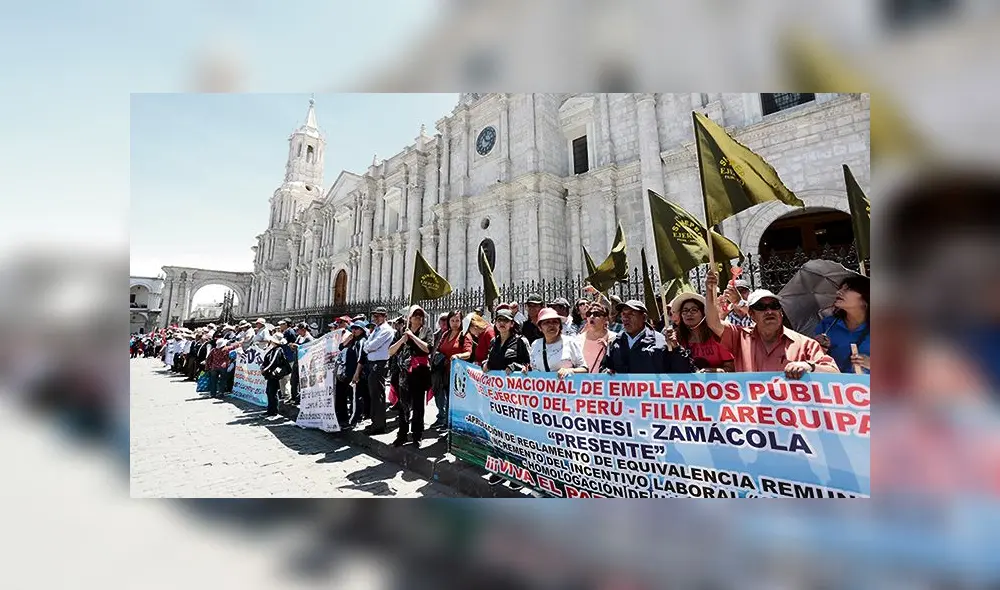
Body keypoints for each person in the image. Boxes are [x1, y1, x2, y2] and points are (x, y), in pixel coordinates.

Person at [705, 269, 839, 378]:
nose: (769, 311)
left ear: (781, 312)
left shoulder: (805, 344)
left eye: (774, 306)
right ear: (751, 314)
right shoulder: (739, 337)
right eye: (761, 307)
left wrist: (809, 366)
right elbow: (713, 323)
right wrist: (710, 290)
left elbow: (834, 372)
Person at [602, 300, 695, 375]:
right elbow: (605, 367)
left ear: (644, 317)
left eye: (631, 314)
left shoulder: (661, 342)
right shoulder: (615, 342)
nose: (626, 318)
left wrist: (676, 348)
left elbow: (682, 372)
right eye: (623, 314)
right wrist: (606, 372)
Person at [388, 306, 432, 447]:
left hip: (420, 373)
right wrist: (403, 339)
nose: (418, 317)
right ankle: (402, 434)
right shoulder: (401, 331)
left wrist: (413, 337)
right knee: (403, 405)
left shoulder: (426, 331)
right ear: (409, 318)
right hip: (404, 374)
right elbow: (391, 351)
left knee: (418, 406)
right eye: (415, 315)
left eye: (420, 315)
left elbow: (428, 349)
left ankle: (417, 435)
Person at [815, 275, 870, 374]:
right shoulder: (827, 325)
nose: (838, 292)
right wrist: (819, 348)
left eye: (848, 289)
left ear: (865, 298)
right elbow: (815, 361)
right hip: (834, 382)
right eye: (840, 288)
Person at [671, 292, 735, 373]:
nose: (689, 314)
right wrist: (674, 346)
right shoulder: (676, 337)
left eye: (694, 310)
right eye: (685, 311)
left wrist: (714, 371)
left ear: (704, 313)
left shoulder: (718, 336)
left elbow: (731, 368)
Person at [433, 310, 473, 428]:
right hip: (443, 372)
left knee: (454, 401)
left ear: (461, 321)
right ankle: (445, 421)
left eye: (457, 320)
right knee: (443, 397)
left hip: (457, 374)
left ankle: (452, 425)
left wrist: (458, 356)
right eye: (452, 320)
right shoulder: (445, 334)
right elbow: (439, 348)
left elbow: (468, 353)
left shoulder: (464, 335)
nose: (455, 323)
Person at [529, 307, 588, 377]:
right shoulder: (535, 344)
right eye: (547, 322)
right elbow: (534, 369)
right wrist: (526, 372)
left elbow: (584, 369)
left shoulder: (570, 342)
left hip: (566, 384)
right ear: (540, 327)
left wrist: (570, 371)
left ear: (559, 325)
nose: (551, 325)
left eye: (555, 322)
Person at [362, 306, 394, 435]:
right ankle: (375, 422)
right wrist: (368, 347)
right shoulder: (377, 329)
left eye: (378, 316)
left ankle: (379, 425)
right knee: (373, 394)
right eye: (374, 316)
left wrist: (368, 347)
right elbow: (367, 344)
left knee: (377, 394)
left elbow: (373, 345)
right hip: (372, 363)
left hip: (379, 363)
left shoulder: (386, 330)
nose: (375, 318)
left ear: (385, 316)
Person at [337, 321, 368, 428]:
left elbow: (361, 359)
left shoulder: (361, 342)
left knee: (356, 397)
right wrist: (348, 339)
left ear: (362, 330)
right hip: (349, 373)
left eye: (357, 329)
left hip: (356, 373)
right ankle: (351, 417)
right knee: (350, 396)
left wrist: (356, 374)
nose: (354, 330)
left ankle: (354, 420)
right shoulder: (353, 341)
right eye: (353, 328)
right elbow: (340, 347)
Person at [485, 309, 531, 373]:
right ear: (495, 323)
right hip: (495, 379)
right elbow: (489, 360)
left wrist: (515, 367)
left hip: (515, 379)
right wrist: (485, 364)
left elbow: (529, 365)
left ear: (512, 324)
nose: (502, 323)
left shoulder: (521, 341)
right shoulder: (493, 342)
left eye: (506, 320)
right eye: (499, 320)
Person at [577, 301, 617, 374]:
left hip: (605, 380)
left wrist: (608, 350)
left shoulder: (615, 339)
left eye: (596, 314)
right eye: (589, 314)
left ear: (605, 319)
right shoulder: (578, 340)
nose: (592, 316)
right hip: (582, 380)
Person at [259, 334, 290, 416]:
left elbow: (273, 361)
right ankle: (270, 410)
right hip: (270, 373)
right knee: (269, 391)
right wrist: (263, 366)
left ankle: (273, 411)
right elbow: (267, 360)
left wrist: (265, 369)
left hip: (274, 374)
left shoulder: (278, 350)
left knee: (272, 392)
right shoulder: (273, 349)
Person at [277, 318, 297, 401]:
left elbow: (293, 344)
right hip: (284, 357)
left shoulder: (290, 332)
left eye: (282, 324)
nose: (280, 326)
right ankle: (284, 394)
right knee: (282, 377)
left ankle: (288, 395)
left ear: (286, 324)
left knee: (287, 377)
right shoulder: (284, 332)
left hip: (289, 358)